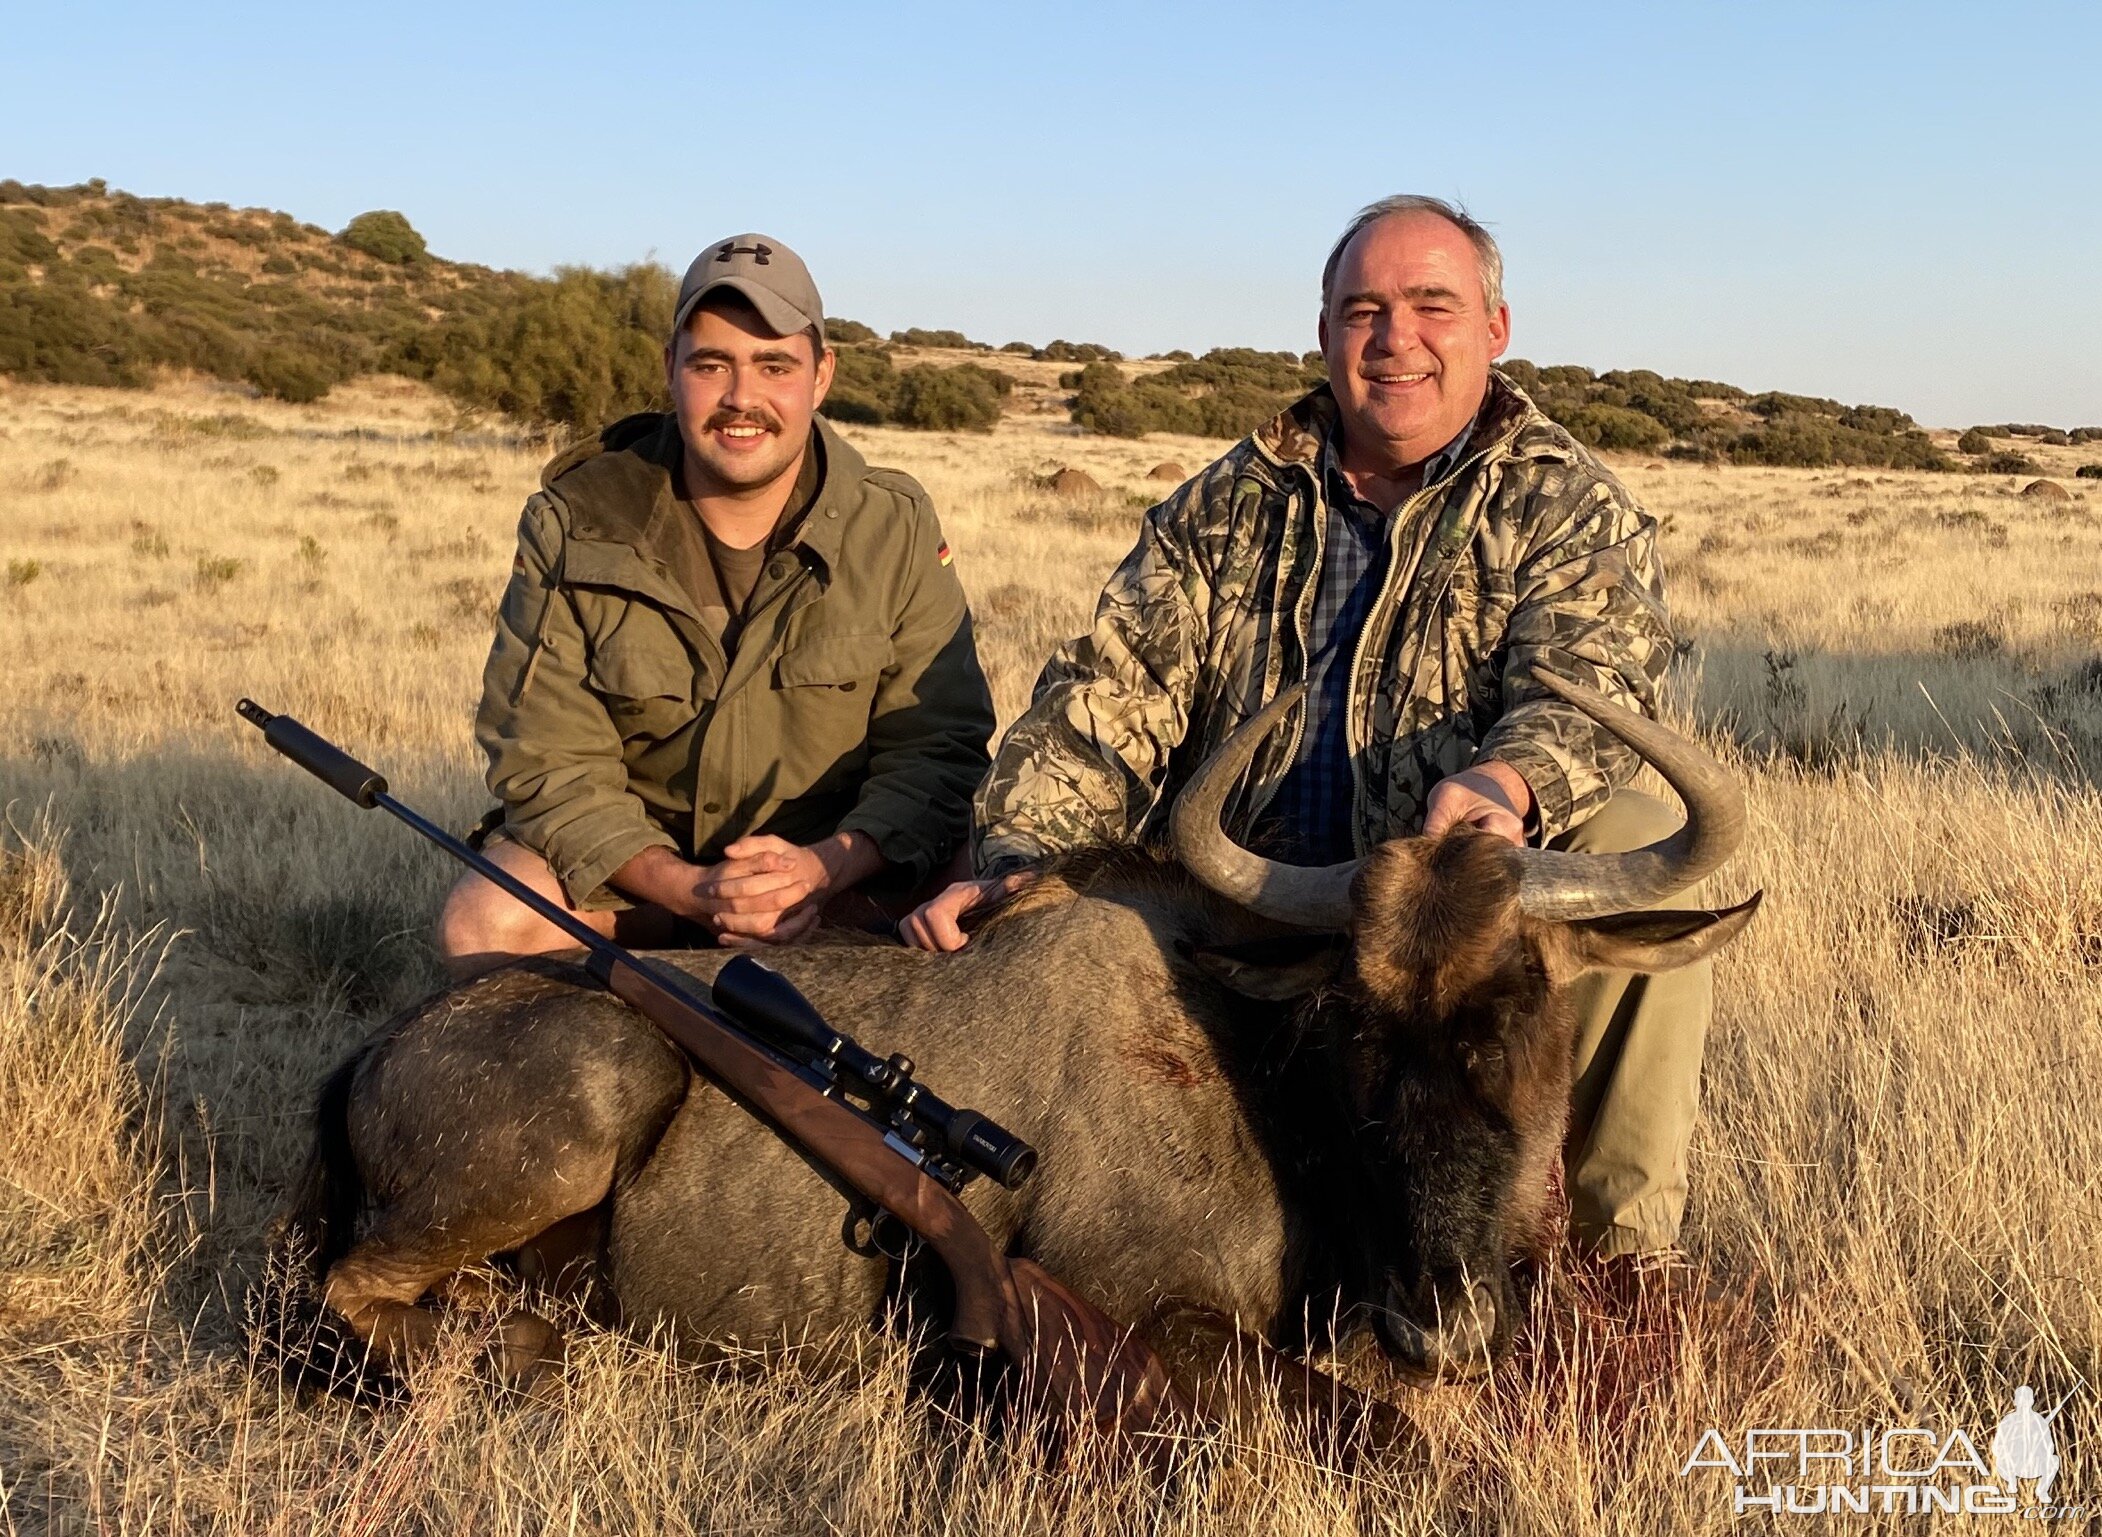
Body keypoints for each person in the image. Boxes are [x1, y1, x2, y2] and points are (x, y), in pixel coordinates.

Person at [904, 195, 1703, 1266]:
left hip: (1444, 927)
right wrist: (1011, 870)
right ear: (1324, 333)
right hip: (1253, 914)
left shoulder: (1565, 501)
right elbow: (1100, 709)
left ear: (1494, 330)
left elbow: (1589, 676)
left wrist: (1507, 785)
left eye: (1433, 305)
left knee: (1630, 835)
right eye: (1362, 309)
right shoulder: (1222, 505)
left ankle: (1622, 1267)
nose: (1395, 338)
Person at [440, 235, 995, 975]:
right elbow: (545, 759)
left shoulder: (894, 525)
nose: (743, 398)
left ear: (820, 375)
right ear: (671, 369)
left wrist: (827, 866)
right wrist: (690, 888)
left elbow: (938, 749)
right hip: (647, 883)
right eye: (712, 365)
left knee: (989, 882)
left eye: (775, 366)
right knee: (485, 923)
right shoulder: (576, 520)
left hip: (834, 877)